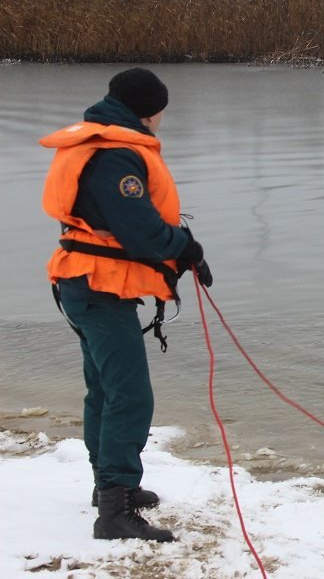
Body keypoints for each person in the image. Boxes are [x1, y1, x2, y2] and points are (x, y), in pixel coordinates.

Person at [39, 68, 213, 543]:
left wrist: (181, 250)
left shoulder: (99, 143)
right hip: (97, 288)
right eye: (160, 113)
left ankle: (108, 488)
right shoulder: (116, 155)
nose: (161, 121)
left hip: (85, 284)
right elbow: (140, 232)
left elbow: (126, 229)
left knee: (103, 388)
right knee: (129, 395)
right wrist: (186, 249)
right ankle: (114, 508)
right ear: (149, 110)